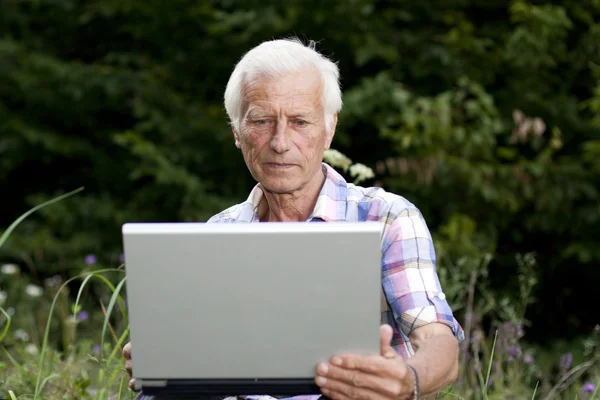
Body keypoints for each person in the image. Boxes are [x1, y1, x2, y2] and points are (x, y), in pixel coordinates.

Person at [123, 37, 464, 400]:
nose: (280, 142)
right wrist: (164, 364)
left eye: (300, 122)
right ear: (237, 132)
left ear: (329, 129)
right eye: (262, 121)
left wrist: (407, 380)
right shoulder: (220, 233)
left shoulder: (387, 218)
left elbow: (437, 338)